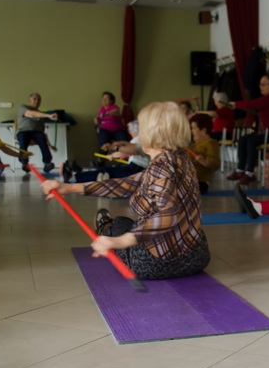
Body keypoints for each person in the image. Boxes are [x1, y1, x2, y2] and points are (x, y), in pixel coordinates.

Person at [41, 102, 210, 280]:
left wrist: (119, 241)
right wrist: (71, 188)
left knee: (120, 224)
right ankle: (111, 230)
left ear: (152, 132)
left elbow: (167, 214)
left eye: (142, 128)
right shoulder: (182, 159)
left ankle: (106, 228)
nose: (139, 134)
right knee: (132, 224)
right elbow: (129, 183)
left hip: (155, 264)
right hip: (196, 258)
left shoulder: (161, 166)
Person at [226, 73, 269, 185]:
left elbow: (252, 104)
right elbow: (255, 106)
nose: (261, 87)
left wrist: (236, 104)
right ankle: (240, 170)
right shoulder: (267, 99)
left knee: (251, 141)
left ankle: (250, 173)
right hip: (267, 133)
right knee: (244, 139)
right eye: (260, 84)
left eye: (264, 84)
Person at [64, 120, 147, 183]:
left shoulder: (137, 140)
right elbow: (129, 146)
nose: (129, 131)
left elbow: (129, 151)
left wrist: (112, 154)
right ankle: (76, 175)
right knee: (104, 171)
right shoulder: (140, 140)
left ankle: (74, 178)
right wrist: (119, 143)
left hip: (136, 169)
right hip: (136, 168)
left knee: (104, 172)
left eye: (129, 129)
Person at [17, 92, 57, 173]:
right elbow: (31, 114)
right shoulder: (23, 107)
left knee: (41, 136)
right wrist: (48, 116)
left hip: (36, 133)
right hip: (23, 131)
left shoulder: (40, 114)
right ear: (29, 100)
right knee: (23, 137)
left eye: (39, 100)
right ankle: (24, 163)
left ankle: (47, 163)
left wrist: (49, 144)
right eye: (34, 99)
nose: (37, 101)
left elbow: (43, 132)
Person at [188, 113, 220, 194]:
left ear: (203, 130)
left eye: (194, 128)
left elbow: (215, 164)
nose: (192, 131)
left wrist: (206, 162)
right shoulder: (195, 144)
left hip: (200, 182)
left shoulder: (211, 143)